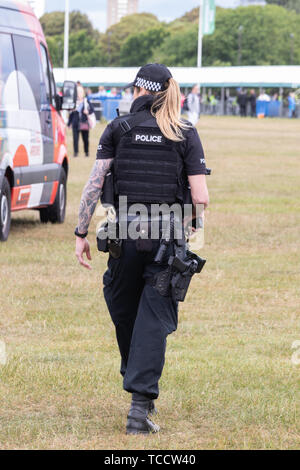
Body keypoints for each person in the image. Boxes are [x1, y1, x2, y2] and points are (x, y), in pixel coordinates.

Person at [74, 63, 209, 435]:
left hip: (124, 234)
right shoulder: (184, 132)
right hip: (167, 238)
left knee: (125, 310)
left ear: (137, 89)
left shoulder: (118, 128)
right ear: (168, 92)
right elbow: (200, 196)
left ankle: (137, 393)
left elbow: (94, 183)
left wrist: (80, 231)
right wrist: (191, 226)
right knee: (152, 319)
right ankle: (139, 405)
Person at [68, 85, 95, 157]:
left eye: (80, 92)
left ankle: (86, 152)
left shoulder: (86, 101)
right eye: (77, 92)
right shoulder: (73, 102)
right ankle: (75, 153)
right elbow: (70, 114)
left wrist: (87, 111)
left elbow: (92, 110)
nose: (79, 93)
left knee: (85, 139)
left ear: (83, 93)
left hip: (84, 123)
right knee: (75, 139)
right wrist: (69, 123)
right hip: (75, 123)